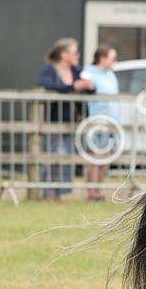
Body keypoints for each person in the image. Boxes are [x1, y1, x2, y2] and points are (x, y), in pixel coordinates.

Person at [37, 38, 94, 200]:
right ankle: (48, 193)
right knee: (52, 157)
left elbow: (91, 89)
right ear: (64, 54)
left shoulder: (77, 71)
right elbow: (45, 85)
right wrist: (72, 86)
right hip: (53, 122)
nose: (78, 56)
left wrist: (89, 86)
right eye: (75, 53)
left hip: (73, 123)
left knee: (67, 159)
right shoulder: (50, 70)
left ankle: (60, 193)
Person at [83, 45, 120, 199]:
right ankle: (92, 191)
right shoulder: (88, 73)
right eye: (112, 58)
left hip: (111, 121)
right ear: (102, 58)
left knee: (105, 157)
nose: (115, 61)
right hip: (96, 120)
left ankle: (99, 190)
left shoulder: (111, 75)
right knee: (93, 157)